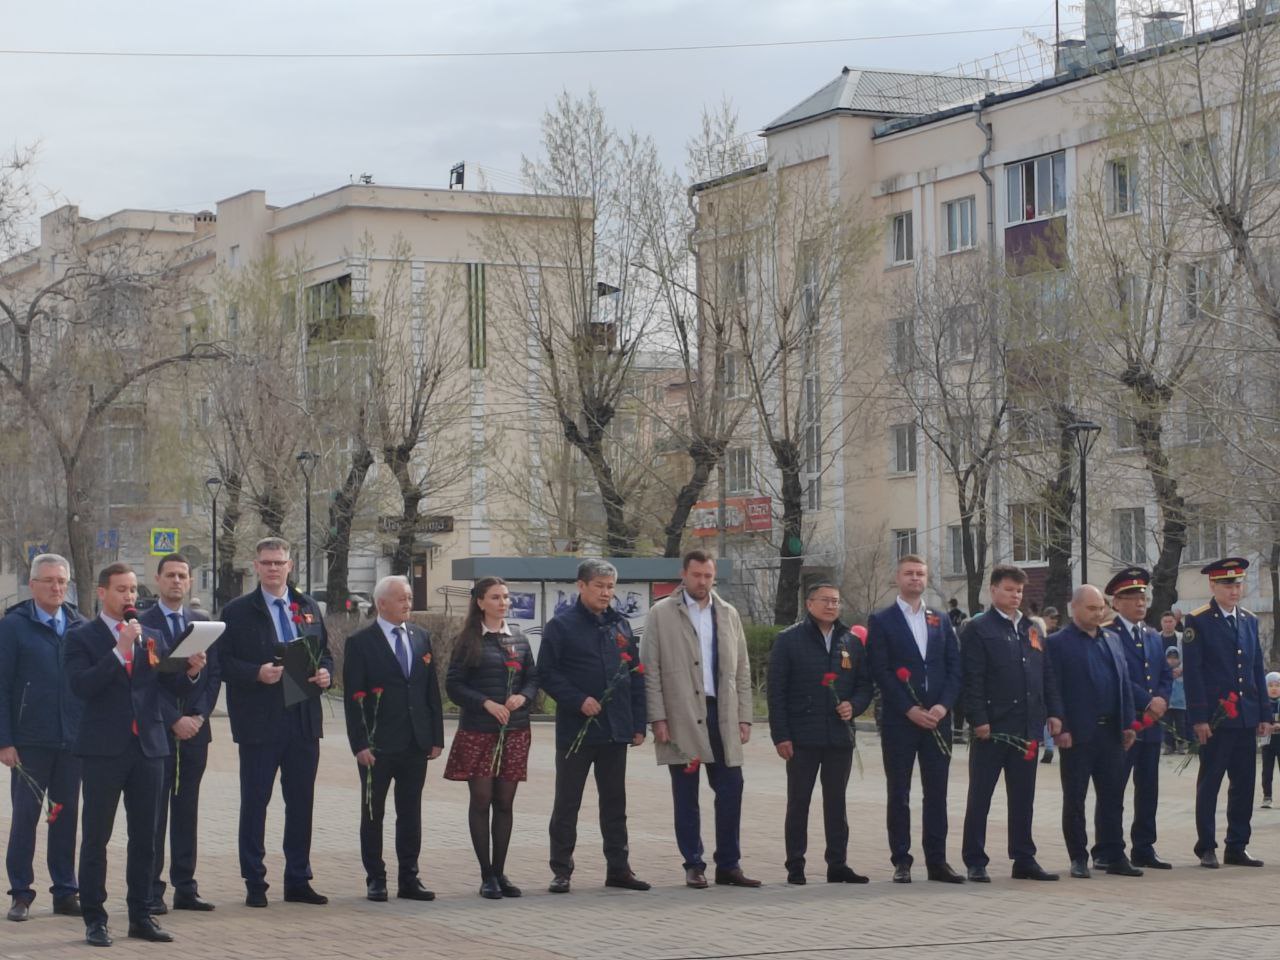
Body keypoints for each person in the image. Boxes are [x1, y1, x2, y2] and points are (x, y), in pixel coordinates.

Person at [64, 563, 205, 947]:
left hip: (149, 747)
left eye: (132, 590)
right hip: (103, 751)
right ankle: (95, 918)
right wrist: (119, 650)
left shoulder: (152, 635)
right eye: (121, 589)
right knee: (96, 837)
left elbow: (163, 682)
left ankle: (141, 915)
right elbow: (82, 686)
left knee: (146, 837)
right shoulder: (82, 636)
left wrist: (190, 672)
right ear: (101, 593)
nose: (129, 597)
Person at [219, 537, 334, 907]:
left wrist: (326, 674)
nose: (273, 568)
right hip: (260, 720)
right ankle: (255, 880)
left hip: (302, 717)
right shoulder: (238, 611)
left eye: (279, 562)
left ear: (290, 566)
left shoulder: (307, 606)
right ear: (256, 566)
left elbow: (326, 653)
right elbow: (222, 664)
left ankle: (298, 878)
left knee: (301, 802)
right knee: (256, 802)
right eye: (266, 563)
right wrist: (256, 672)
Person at [643, 550, 759, 890]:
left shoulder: (728, 613)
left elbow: (742, 669)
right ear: (684, 574)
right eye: (697, 575)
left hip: (721, 714)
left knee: (731, 788)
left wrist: (745, 716)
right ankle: (694, 864)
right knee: (686, 792)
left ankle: (729, 864)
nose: (703, 582)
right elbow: (650, 669)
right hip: (681, 716)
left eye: (708, 576)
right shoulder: (662, 613)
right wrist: (657, 717)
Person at [537, 560, 648, 894]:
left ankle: (618, 868)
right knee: (567, 802)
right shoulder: (562, 625)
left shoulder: (621, 626)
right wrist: (577, 699)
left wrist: (638, 722)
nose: (605, 592)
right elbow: (547, 673)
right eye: (599, 585)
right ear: (581, 586)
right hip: (577, 730)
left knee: (615, 802)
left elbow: (635, 675)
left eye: (611, 586)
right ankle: (561, 869)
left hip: (615, 729)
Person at [960, 564, 1063, 882]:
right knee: (981, 796)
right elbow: (971, 679)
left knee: (1023, 797)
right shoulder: (978, 628)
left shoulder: (1031, 628)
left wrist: (1054, 713)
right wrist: (978, 719)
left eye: (1019, 590)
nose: (1015, 595)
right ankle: (975, 860)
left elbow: (1044, 673)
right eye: (1008, 589)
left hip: (1027, 727)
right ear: (993, 591)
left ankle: (1024, 857)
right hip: (992, 728)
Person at [344, 575, 443, 903]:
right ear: (381, 603)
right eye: (401, 598)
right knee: (373, 812)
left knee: (410, 811)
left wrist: (436, 736)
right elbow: (352, 698)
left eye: (410, 598)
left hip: (416, 741)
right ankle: (376, 878)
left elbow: (430, 691)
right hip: (378, 744)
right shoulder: (361, 642)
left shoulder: (421, 637)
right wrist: (360, 744)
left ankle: (409, 878)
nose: (408, 604)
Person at [866, 554, 963, 884]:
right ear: (897, 577)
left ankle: (938, 860)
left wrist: (943, 706)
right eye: (909, 573)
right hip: (900, 720)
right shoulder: (882, 620)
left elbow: (954, 667)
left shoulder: (940, 618)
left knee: (937, 793)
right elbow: (880, 670)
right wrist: (909, 708)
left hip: (937, 721)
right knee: (900, 792)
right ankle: (902, 860)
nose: (915, 579)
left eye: (920, 574)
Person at [769, 582, 873, 886]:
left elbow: (866, 684)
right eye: (825, 600)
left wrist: (853, 706)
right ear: (809, 603)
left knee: (836, 802)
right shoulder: (789, 640)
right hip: (802, 737)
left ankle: (837, 864)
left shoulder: (850, 641)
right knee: (799, 801)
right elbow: (777, 692)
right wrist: (781, 735)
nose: (831, 606)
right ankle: (795, 864)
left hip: (839, 737)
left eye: (836, 601)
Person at [0, 553, 85, 923]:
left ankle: (65, 891)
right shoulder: (14, 627)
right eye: (49, 580)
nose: (56, 588)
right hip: (29, 742)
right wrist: (5, 739)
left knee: (64, 818)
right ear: (32, 584)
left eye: (61, 582)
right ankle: (20, 893)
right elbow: (1, 685)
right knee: (25, 819)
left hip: (72, 741)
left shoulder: (80, 625)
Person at [444, 577, 537, 899]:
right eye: (495, 597)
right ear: (480, 602)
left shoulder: (520, 640)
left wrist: (522, 698)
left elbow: (532, 680)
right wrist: (486, 702)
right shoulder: (467, 640)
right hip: (479, 732)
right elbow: (454, 685)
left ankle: (500, 871)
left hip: (514, 731)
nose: (503, 602)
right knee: (481, 800)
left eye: (506, 597)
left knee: (505, 802)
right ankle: (486, 875)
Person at [138, 553, 219, 913]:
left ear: (189, 582)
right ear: (158, 579)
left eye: (183, 576)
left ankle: (185, 886)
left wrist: (199, 716)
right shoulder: (142, 623)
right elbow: (146, 682)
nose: (176, 581)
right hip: (158, 731)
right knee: (153, 814)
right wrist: (173, 719)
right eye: (170, 575)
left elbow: (211, 677)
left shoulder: (202, 623)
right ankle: (151, 890)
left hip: (195, 733)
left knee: (187, 809)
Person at [1047, 585, 1142, 879]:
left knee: (1113, 797)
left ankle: (1114, 854)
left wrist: (1128, 723)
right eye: (1091, 608)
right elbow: (1054, 687)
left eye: (1101, 607)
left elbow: (1123, 683)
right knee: (1075, 797)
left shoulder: (1112, 640)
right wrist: (1060, 725)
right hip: (1077, 734)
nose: (1098, 613)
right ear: (1072, 608)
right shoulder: (1058, 643)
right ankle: (1078, 856)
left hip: (1111, 732)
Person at [1182, 557, 1269, 868]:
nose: (1234, 590)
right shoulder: (1199, 620)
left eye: (1237, 584)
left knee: (1245, 783)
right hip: (1217, 718)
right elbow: (1193, 674)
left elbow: (1257, 668)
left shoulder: (1248, 619)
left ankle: (1237, 845)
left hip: (1245, 716)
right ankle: (1206, 845)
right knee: (1211, 782)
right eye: (1227, 584)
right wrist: (1200, 718)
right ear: (1213, 585)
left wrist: (1264, 714)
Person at [1104, 567, 1173, 871]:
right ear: (1116, 602)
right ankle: (1107, 848)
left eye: (1142, 596)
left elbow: (1166, 674)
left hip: (1152, 725)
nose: (1140, 603)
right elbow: (1114, 676)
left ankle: (1144, 846)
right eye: (1131, 597)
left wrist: (1162, 700)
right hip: (1124, 722)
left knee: (1148, 788)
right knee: (1113, 788)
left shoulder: (1153, 635)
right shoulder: (1109, 633)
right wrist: (1148, 701)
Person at [1261, 672, 1280, 808]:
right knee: (1267, 770)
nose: (1274, 688)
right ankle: (1267, 796)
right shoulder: (1263, 704)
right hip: (1267, 741)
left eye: (1277, 685)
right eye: (1270, 685)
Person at [1165, 648, 1187, 755]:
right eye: (1169, 658)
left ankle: (1181, 744)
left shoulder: (1183, 672)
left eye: (1175, 658)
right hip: (1167, 704)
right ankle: (1169, 745)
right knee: (1167, 725)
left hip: (1180, 704)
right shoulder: (1164, 672)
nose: (1172, 661)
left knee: (1180, 725)